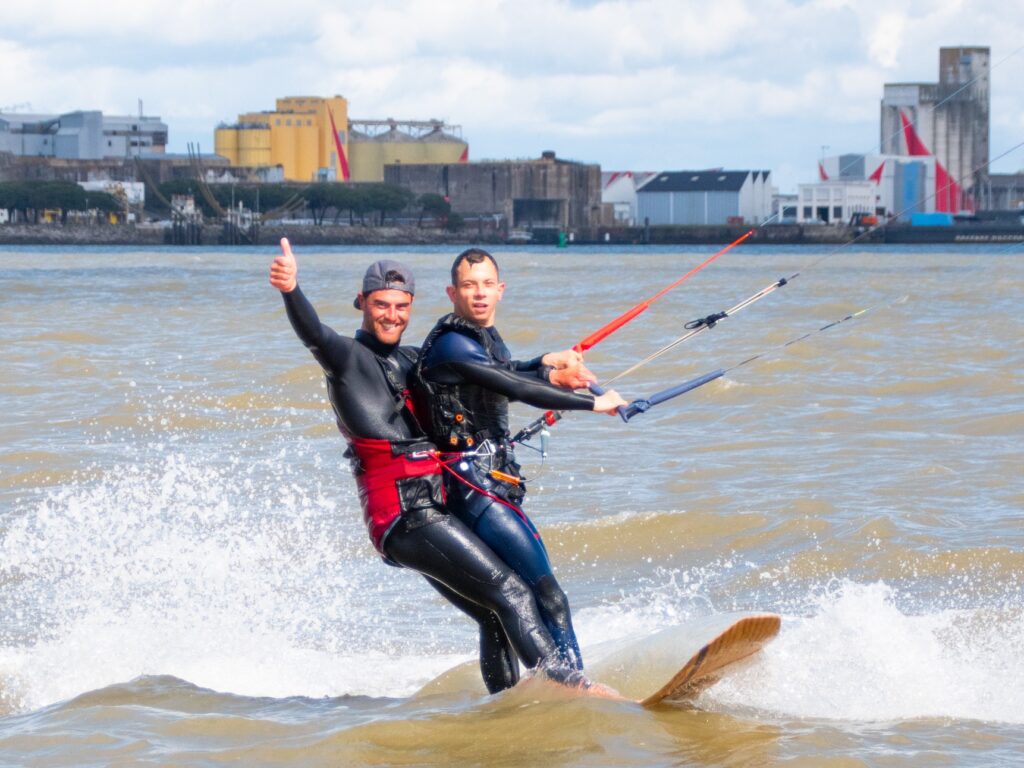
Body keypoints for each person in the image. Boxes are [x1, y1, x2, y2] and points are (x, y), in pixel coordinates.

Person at [269, 238, 606, 693]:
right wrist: (292, 290)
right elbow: (313, 333)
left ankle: (503, 709)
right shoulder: (346, 359)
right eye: (381, 305)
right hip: (403, 516)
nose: (392, 314)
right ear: (362, 304)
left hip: (433, 508)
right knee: (512, 591)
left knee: (492, 609)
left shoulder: (410, 360)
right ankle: (571, 689)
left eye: (401, 306)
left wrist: (544, 367)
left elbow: (483, 371)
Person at [412, 247, 627, 676]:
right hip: (475, 491)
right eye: (469, 286)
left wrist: (546, 365)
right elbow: (511, 383)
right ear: (451, 292)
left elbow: (505, 370)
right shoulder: (452, 344)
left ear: (500, 290)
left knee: (501, 613)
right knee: (549, 597)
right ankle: (575, 690)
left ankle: (515, 701)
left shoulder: (482, 338)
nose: (479, 294)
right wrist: (592, 403)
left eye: (487, 285)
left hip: (492, 485)